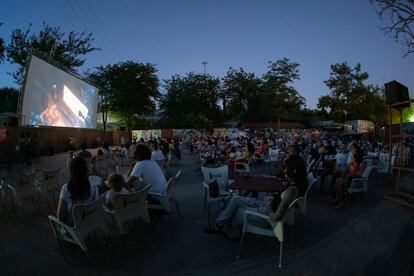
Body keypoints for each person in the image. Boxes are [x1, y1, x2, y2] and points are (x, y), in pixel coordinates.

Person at [204, 156, 307, 238]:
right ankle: (221, 225)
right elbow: (281, 202)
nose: (284, 171)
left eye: (286, 169)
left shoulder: (291, 191)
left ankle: (228, 230)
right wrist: (272, 199)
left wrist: (269, 206)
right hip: (265, 205)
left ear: (294, 171)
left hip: (266, 215)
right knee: (235, 199)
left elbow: (275, 217)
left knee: (237, 209)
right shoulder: (295, 186)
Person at [57, 157, 100, 226]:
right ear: (86, 170)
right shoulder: (92, 187)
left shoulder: (66, 189)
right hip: (90, 224)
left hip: (74, 228)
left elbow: (60, 216)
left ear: (71, 171)